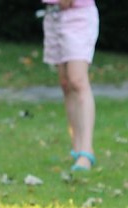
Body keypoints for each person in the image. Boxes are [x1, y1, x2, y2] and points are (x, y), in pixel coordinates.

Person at [41, 0, 99, 171]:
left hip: (77, 14)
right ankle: (77, 148)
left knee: (78, 81)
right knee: (66, 84)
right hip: (54, 14)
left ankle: (86, 152)